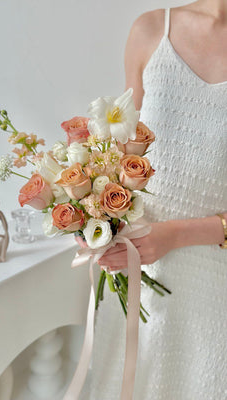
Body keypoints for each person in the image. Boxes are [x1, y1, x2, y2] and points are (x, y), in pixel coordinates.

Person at [79, 2, 227, 399]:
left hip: (217, 288)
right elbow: (124, 151)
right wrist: (94, 220)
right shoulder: (151, 30)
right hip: (141, 278)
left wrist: (175, 235)